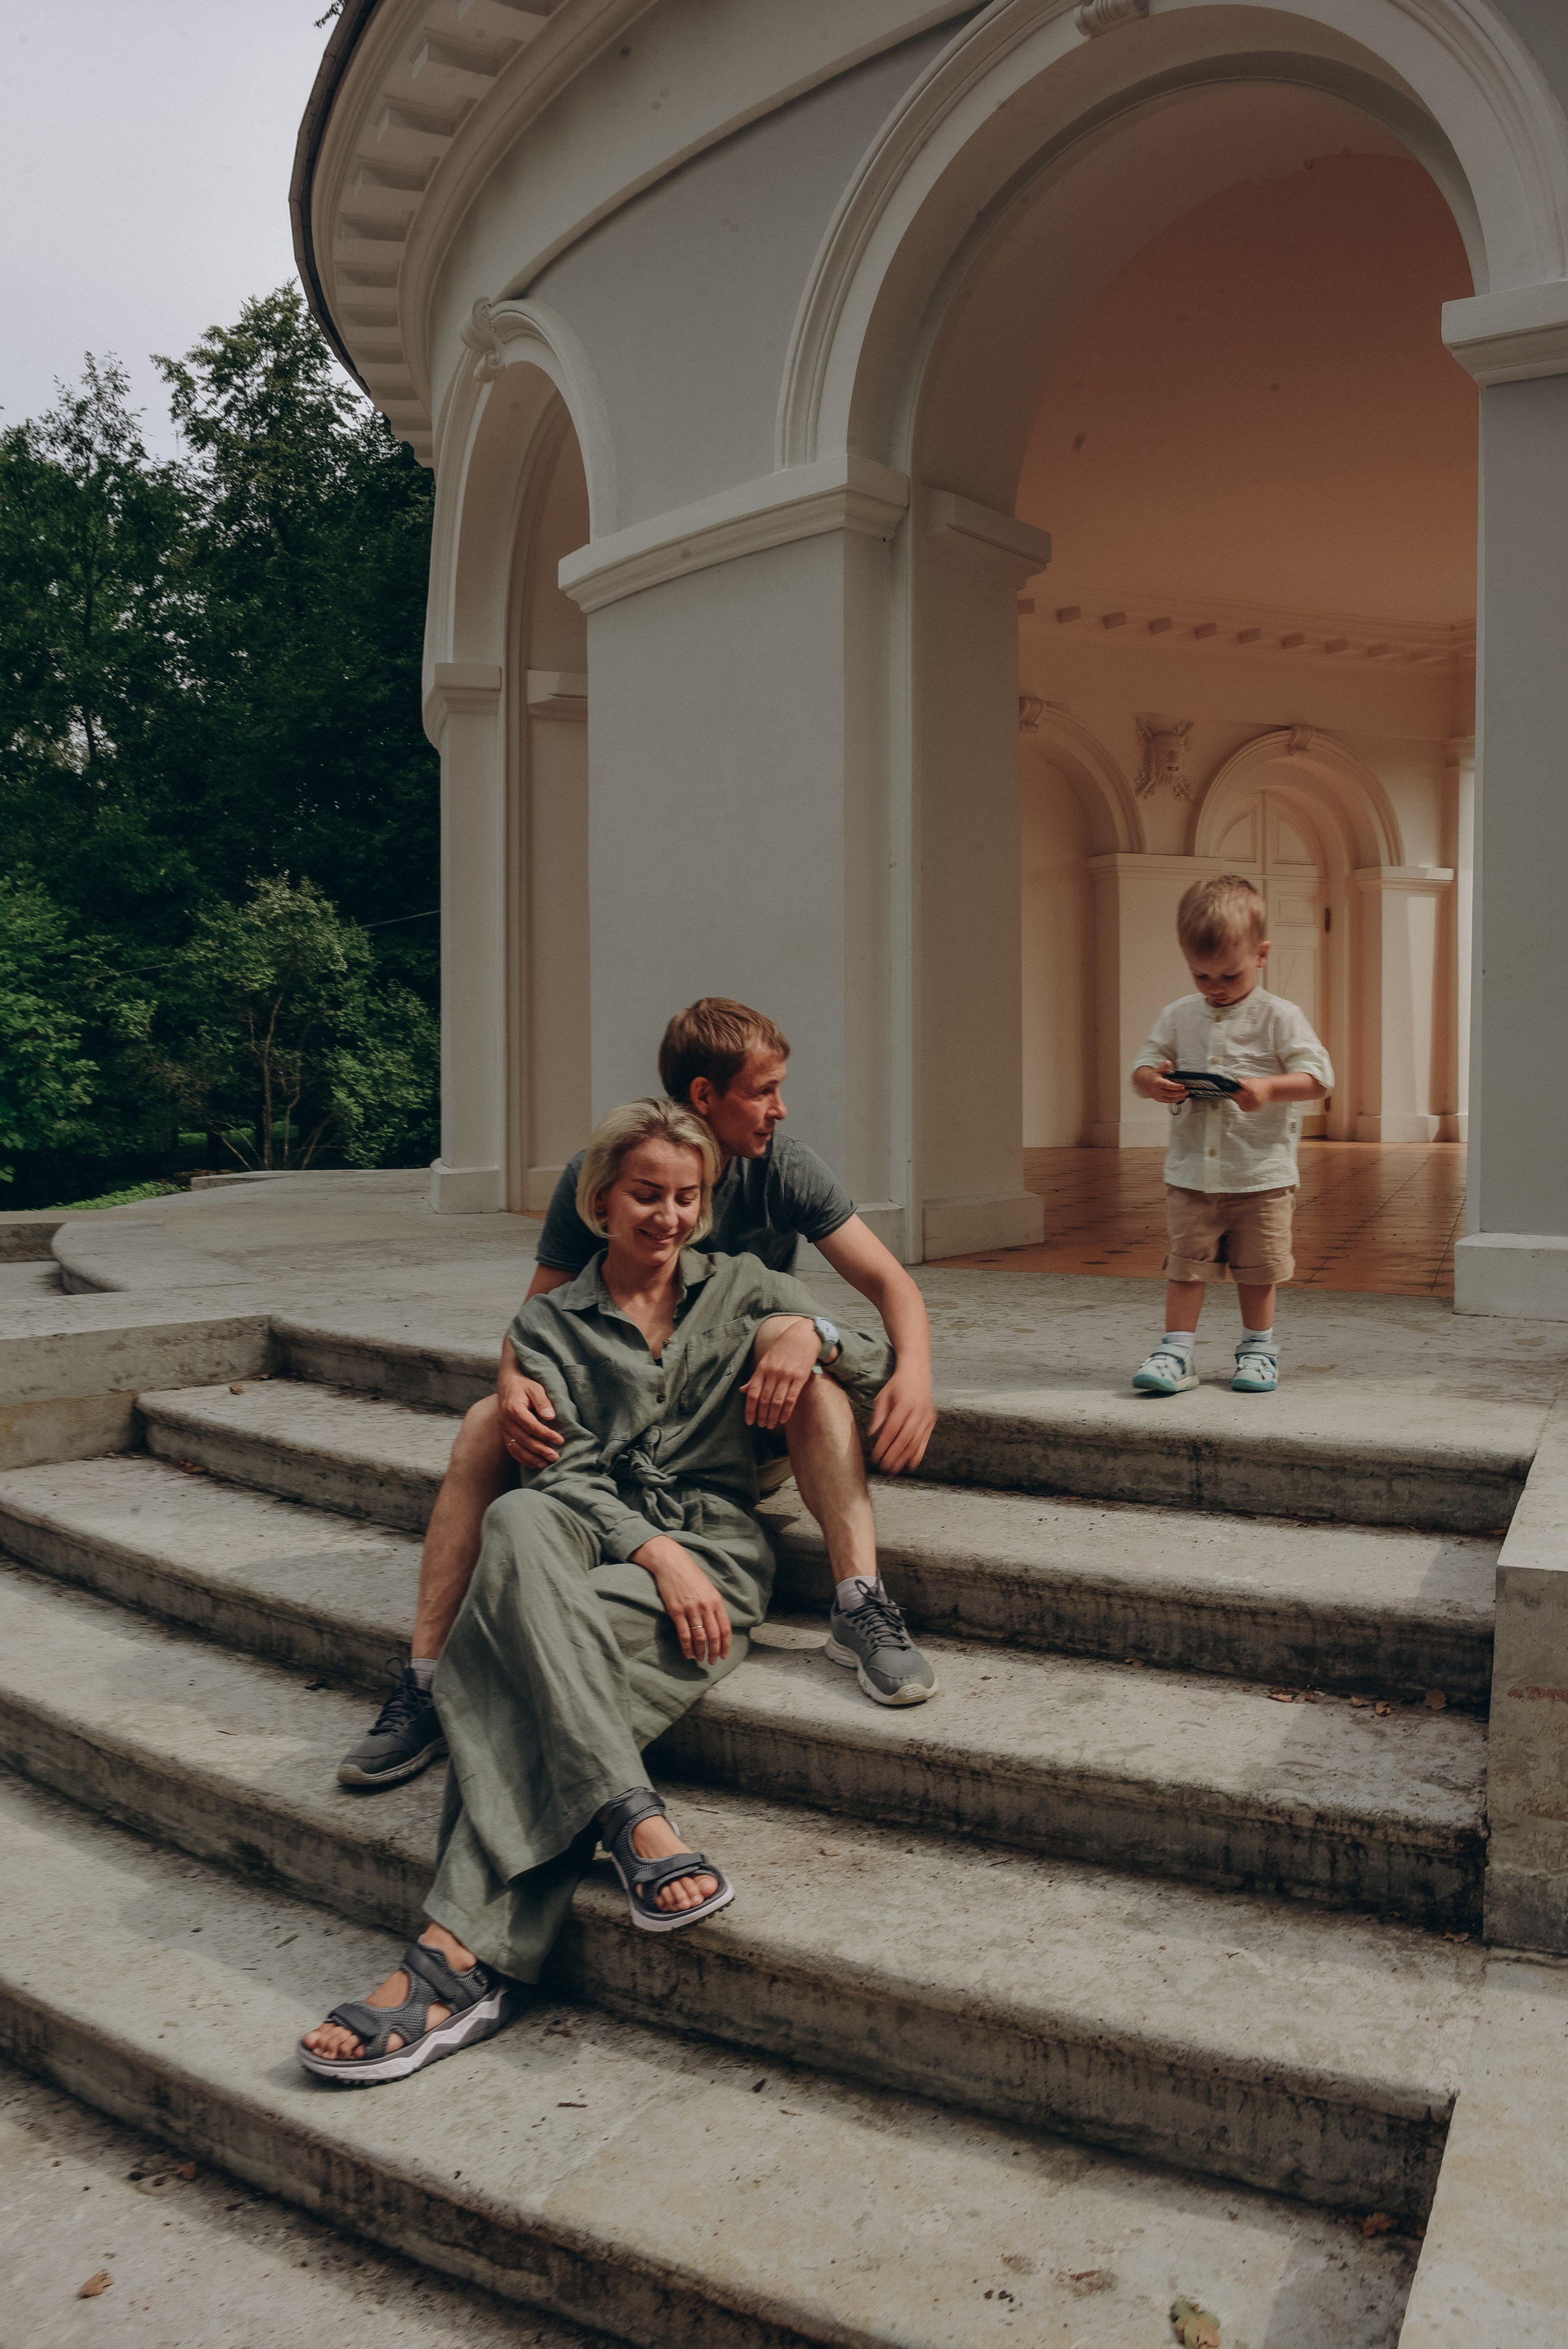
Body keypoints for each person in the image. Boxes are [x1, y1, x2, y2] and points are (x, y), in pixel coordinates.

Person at [300, 1098, 897, 2084]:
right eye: (645, 1193)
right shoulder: (547, 1323)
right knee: (520, 1515)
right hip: (603, 1540)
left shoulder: (745, 1285)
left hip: (717, 1559)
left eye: (686, 1196)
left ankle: (452, 1963)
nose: (667, 1214)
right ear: (601, 1200)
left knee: (502, 1664)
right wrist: (654, 1550)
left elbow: (869, 1357)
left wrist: (814, 1333)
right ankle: (629, 1813)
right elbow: (565, 1476)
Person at [337, 998, 939, 1791]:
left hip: (734, 1425)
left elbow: (890, 1282)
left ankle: (858, 1601)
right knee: (486, 1421)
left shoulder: (783, 1167)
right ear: (704, 1094)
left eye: (778, 1088)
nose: (779, 1107)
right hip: (620, 1435)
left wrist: (906, 1368)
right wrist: (514, 1383)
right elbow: (536, 1319)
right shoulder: (606, 1171)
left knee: (812, 1378)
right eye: (764, 1090)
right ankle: (424, 1677)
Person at [1128, 874, 1333, 1397]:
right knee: (1186, 1265)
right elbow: (1143, 1068)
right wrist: (1156, 1083)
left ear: (1261, 954)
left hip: (1259, 1175)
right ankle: (1176, 1350)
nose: (1215, 986)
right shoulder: (1178, 1015)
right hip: (1193, 1172)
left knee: (1258, 1269)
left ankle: (1258, 1347)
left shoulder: (1281, 1017)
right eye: (1200, 974)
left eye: (1229, 974)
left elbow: (1317, 1079)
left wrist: (1267, 1088)